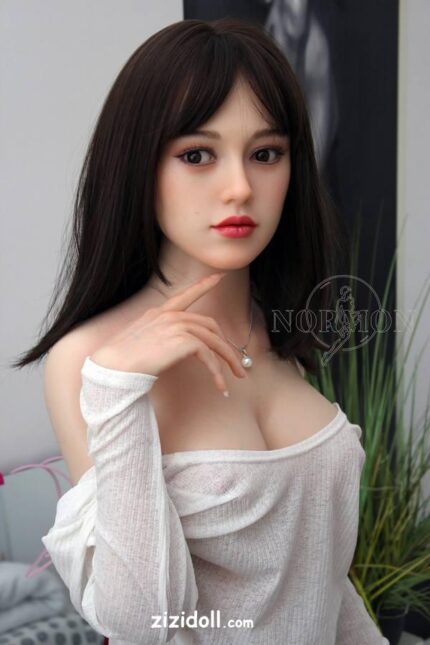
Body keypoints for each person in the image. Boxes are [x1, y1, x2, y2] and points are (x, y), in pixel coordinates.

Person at [11, 17, 389, 645]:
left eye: (265, 154)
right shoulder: (89, 362)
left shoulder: (279, 335)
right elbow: (143, 621)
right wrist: (117, 390)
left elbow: (321, 587)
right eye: (197, 155)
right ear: (139, 166)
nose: (240, 188)